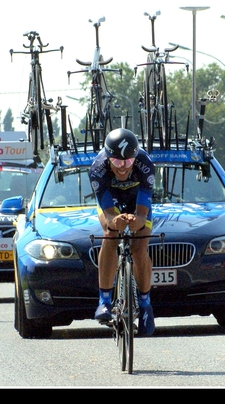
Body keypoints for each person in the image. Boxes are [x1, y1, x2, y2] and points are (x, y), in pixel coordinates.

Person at [88, 128, 156, 336]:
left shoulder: (146, 165)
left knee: (139, 248)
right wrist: (114, 221)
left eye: (128, 162)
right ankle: (105, 301)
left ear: (135, 157)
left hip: (136, 199)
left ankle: (145, 305)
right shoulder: (97, 169)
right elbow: (107, 214)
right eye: (117, 163)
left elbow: (143, 209)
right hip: (112, 199)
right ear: (108, 158)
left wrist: (140, 220)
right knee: (110, 234)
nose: (123, 168)